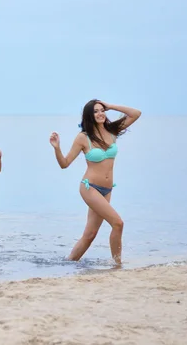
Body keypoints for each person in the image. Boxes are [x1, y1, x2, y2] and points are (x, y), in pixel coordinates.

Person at [49, 99, 141, 265]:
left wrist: (111, 106)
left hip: (107, 189)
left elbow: (136, 114)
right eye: (96, 111)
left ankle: (68, 263)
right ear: (89, 116)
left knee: (90, 235)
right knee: (118, 223)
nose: (100, 114)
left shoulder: (112, 131)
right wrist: (57, 148)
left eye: (102, 110)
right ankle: (117, 265)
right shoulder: (83, 138)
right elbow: (64, 163)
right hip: (90, 187)